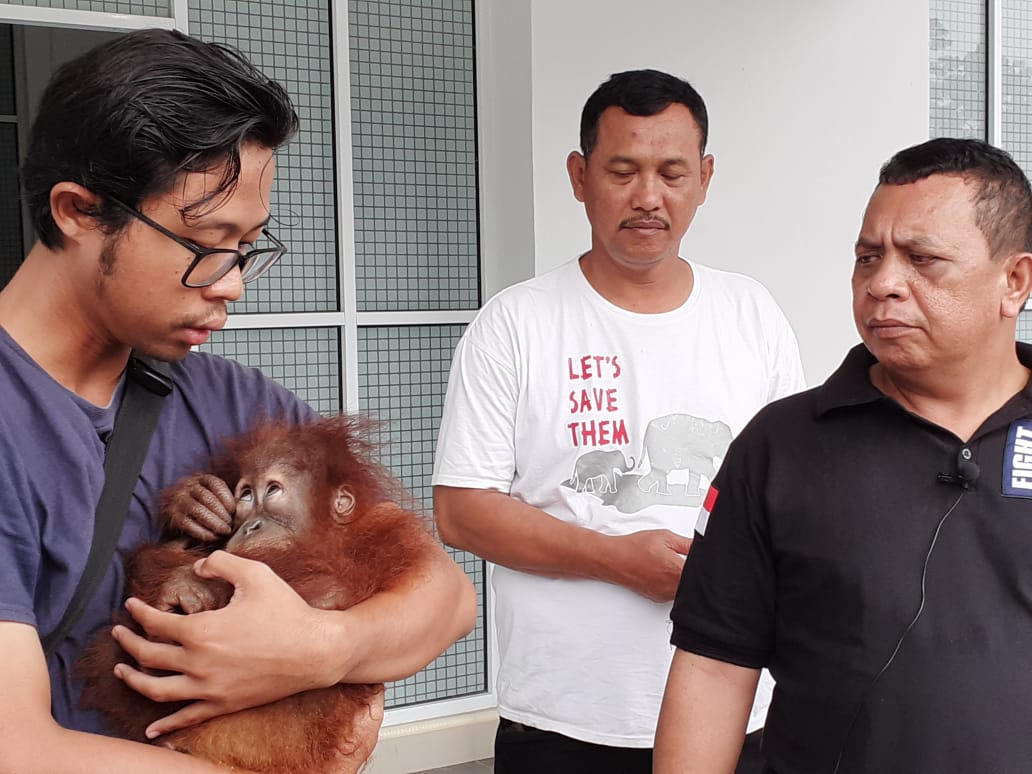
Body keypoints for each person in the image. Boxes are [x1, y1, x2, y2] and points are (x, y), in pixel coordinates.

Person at [0, 29, 476, 772]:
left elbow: (445, 600)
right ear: (78, 212)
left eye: (248, 246)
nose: (232, 284)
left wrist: (314, 651)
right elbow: (17, 747)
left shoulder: (236, 403)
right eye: (207, 245)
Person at [432, 69, 804, 773]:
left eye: (672, 172)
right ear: (579, 176)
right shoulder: (516, 324)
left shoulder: (750, 314)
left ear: (705, 177)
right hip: (564, 719)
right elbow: (461, 512)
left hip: (739, 711)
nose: (648, 198)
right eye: (622, 171)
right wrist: (615, 558)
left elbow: (793, 496)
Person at [654, 137, 1032, 774]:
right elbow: (715, 668)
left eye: (923, 259)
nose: (884, 284)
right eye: (867, 258)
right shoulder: (780, 446)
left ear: (1014, 280)